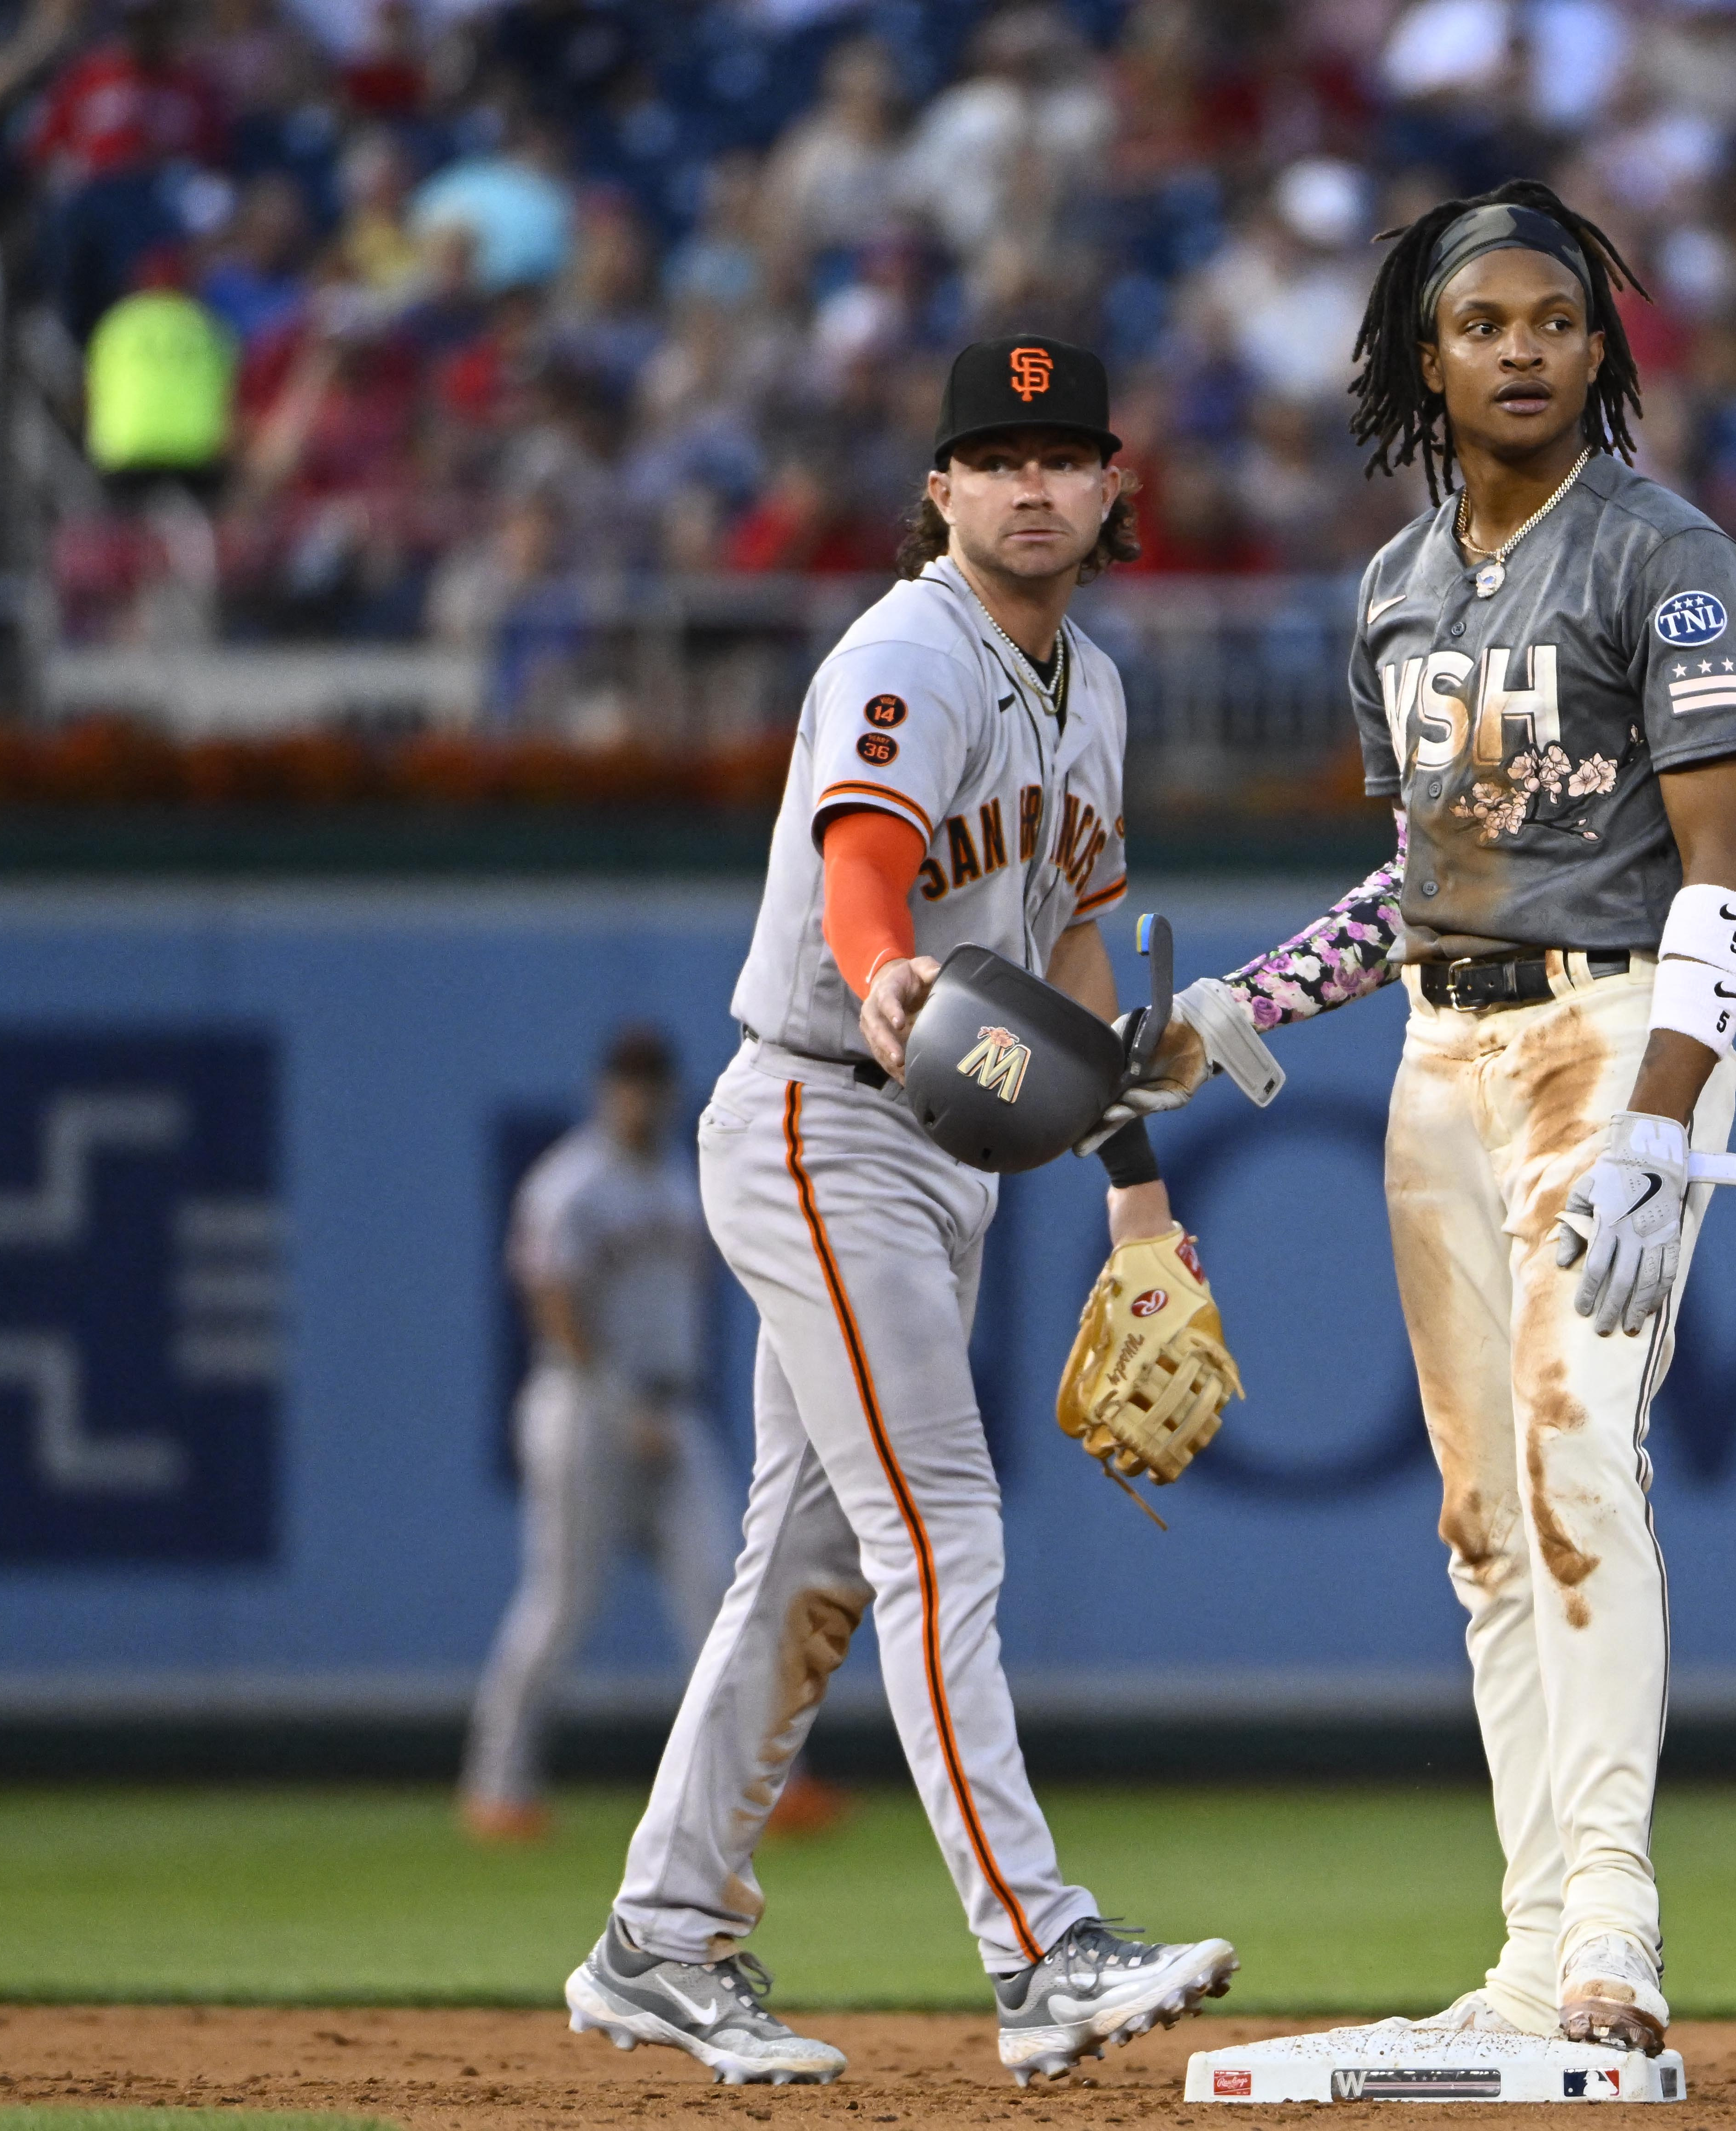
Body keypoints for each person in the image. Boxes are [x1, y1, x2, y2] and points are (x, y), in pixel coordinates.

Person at [1108, 179, 1736, 2057]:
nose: (1521, 350)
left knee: (1579, 1458)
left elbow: (1726, 863)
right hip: (1439, 1055)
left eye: (1554, 322)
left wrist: (1668, 1116)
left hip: (1606, 1033)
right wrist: (1251, 996)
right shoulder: (1399, 588)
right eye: (1482, 324)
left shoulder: (1674, 557)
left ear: (1600, 349)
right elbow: (1428, 874)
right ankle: (1527, 1949)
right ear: (1428, 354)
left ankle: (1614, 1946)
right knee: (1484, 1522)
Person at [559, 336, 1237, 2090]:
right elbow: (864, 860)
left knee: (810, 1558)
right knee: (942, 1523)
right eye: (991, 454)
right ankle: (1037, 1943)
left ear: (1110, 490)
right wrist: (878, 975)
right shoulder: (904, 648)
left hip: (946, 1148)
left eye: (1061, 452)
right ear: (935, 489)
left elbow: (1079, 943)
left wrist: (1138, 1204)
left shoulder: (1089, 680)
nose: (1029, 482)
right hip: (819, 1111)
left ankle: (662, 1932)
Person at [459, 1025, 847, 1845]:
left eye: (653, 1082)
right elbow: (549, 1297)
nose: (641, 1096)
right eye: (628, 1081)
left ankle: (773, 1788)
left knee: (726, 1591)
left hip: (673, 1409)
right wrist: (612, 1399)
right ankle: (498, 1787)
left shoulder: (679, 1178)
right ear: (607, 1090)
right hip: (583, 1406)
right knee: (561, 1603)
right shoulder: (571, 1183)